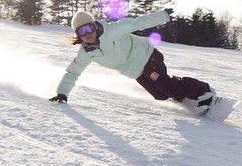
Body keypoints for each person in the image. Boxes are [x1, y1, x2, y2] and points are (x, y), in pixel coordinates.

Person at [50, 8, 216, 114]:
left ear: (95, 26)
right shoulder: (86, 52)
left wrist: (162, 16)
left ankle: (204, 92)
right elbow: (73, 72)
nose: (87, 34)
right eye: (82, 31)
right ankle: (178, 92)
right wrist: (62, 93)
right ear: (78, 34)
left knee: (165, 85)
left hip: (146, 56)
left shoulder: (113, 30)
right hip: (135, 71)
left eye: (89, 28)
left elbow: (138, 23)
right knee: (160, 95)